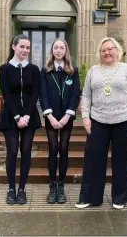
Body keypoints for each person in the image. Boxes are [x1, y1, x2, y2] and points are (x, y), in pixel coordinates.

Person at [75, 37, 127, 210]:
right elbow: (87, 95)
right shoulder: (93, 71)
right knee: (93, 160)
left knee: (122, 161)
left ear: (117, 50)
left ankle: (119, 198)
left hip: (125, 121)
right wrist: (85, 116)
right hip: (97, 121)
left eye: (110, 49)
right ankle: (91, 197)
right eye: (103, 50)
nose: (107, 52)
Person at [0, 34, 41, 205]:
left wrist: (27, 115)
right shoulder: (4, 69)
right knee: (12, 152)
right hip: (10, 116)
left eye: (27, 47)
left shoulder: (34, 69)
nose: (25, 50)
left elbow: (35, 93)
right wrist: (17, 117)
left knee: (26, 152)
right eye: (22, 46)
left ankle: (22, 189)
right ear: (14, 46)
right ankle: (11, 188)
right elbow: (6, 95)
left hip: (29, 116)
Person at [39, 38, 81, 204]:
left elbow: (75, 94)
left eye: (61, 47)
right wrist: (49, 115)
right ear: (52, 50)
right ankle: (52, 186)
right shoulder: (45, 71)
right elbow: (42, 95)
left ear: (66, 50)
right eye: (55, 47)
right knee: (53, 149)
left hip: (66, 117)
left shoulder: (73, 71)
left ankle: (61, 185)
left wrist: (66, 116)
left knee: (64, 149)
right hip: (51, 116)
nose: (58, 50)